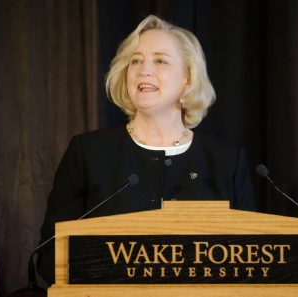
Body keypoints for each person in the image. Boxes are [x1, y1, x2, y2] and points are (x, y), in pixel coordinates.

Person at [37, 15, 257, 284]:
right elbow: (49, 257)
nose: (144, 70)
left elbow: (251, 259)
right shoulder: (88, 153)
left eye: (160, 61)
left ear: (188, 79)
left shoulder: (226, 162)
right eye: (136, 60)